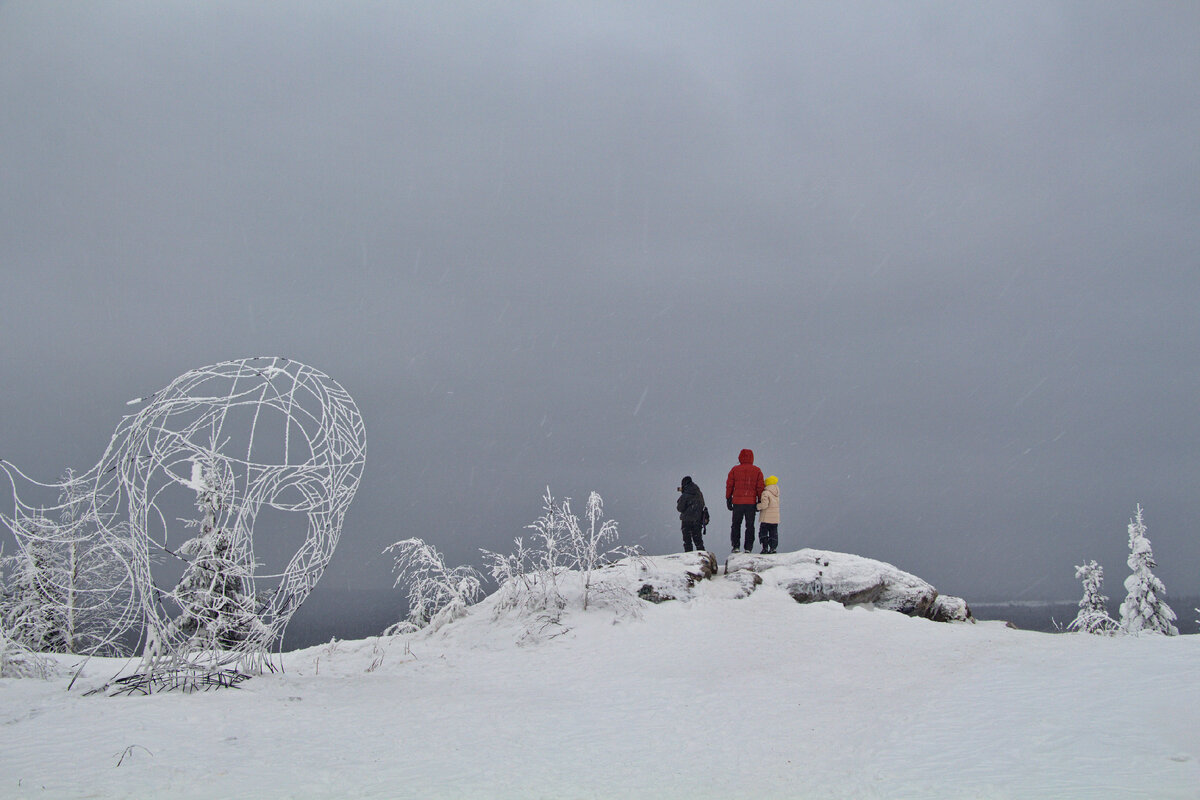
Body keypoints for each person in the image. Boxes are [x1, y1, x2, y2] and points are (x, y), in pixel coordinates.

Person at [725, 448, 765, 553]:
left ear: (740, 457)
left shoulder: (734, 470)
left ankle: (736, 546)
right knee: (750, 526)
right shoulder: (757, 470)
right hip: (751, 503)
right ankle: (748, 548)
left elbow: (729, 485)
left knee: (736, 524)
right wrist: (760, 500)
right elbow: (760, 487)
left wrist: (728, 498)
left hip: (737, 502)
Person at [676, 476, 707, 553]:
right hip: (697, 520)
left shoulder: (685, 495)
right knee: (698, 541)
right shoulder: (699, 493)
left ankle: (689, 557)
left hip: (687, 520)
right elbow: (702, 505)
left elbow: (680, 508)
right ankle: (702, 555)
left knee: (687, 541)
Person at [756, 475, 780, 554]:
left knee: (763, 533)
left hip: (766, 518)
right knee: (773, 533)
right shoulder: (776, 493)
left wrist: (757, 506)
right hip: (775, 518)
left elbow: (764, 505)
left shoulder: (765, 493)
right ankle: (773, 548)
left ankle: (765, 548)